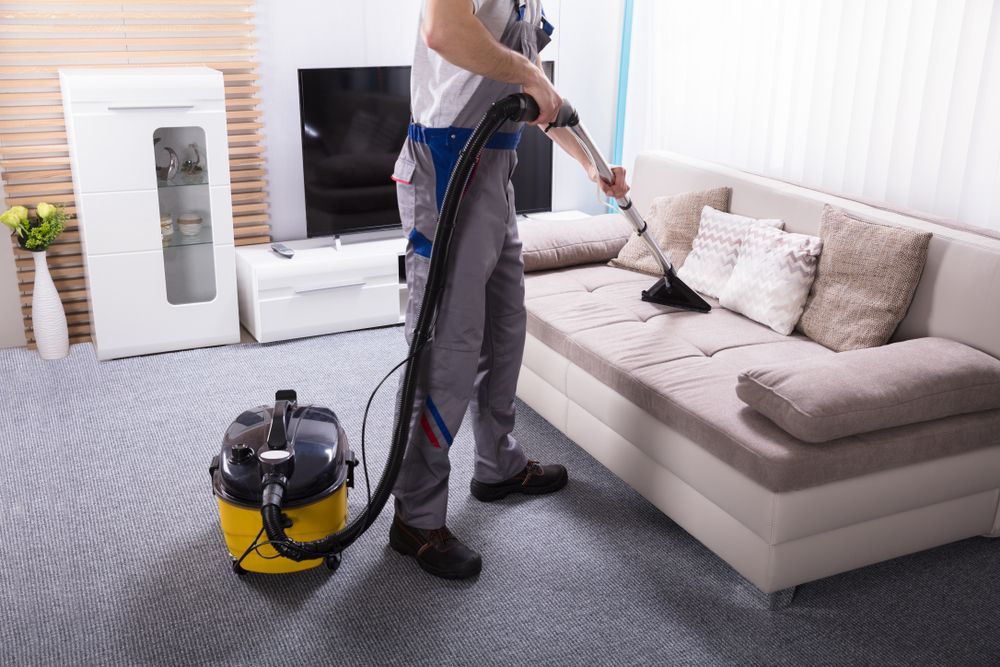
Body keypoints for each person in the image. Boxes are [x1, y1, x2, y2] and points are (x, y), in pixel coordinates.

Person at [389, 0, 630, 580]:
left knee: (503, 332)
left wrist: (593, 165)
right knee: (447, 348)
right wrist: (530, 75)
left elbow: (538, 97)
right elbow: (444, 31)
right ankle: (415, 516)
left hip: (496, 166)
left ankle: (498, 463)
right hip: (447, 163)